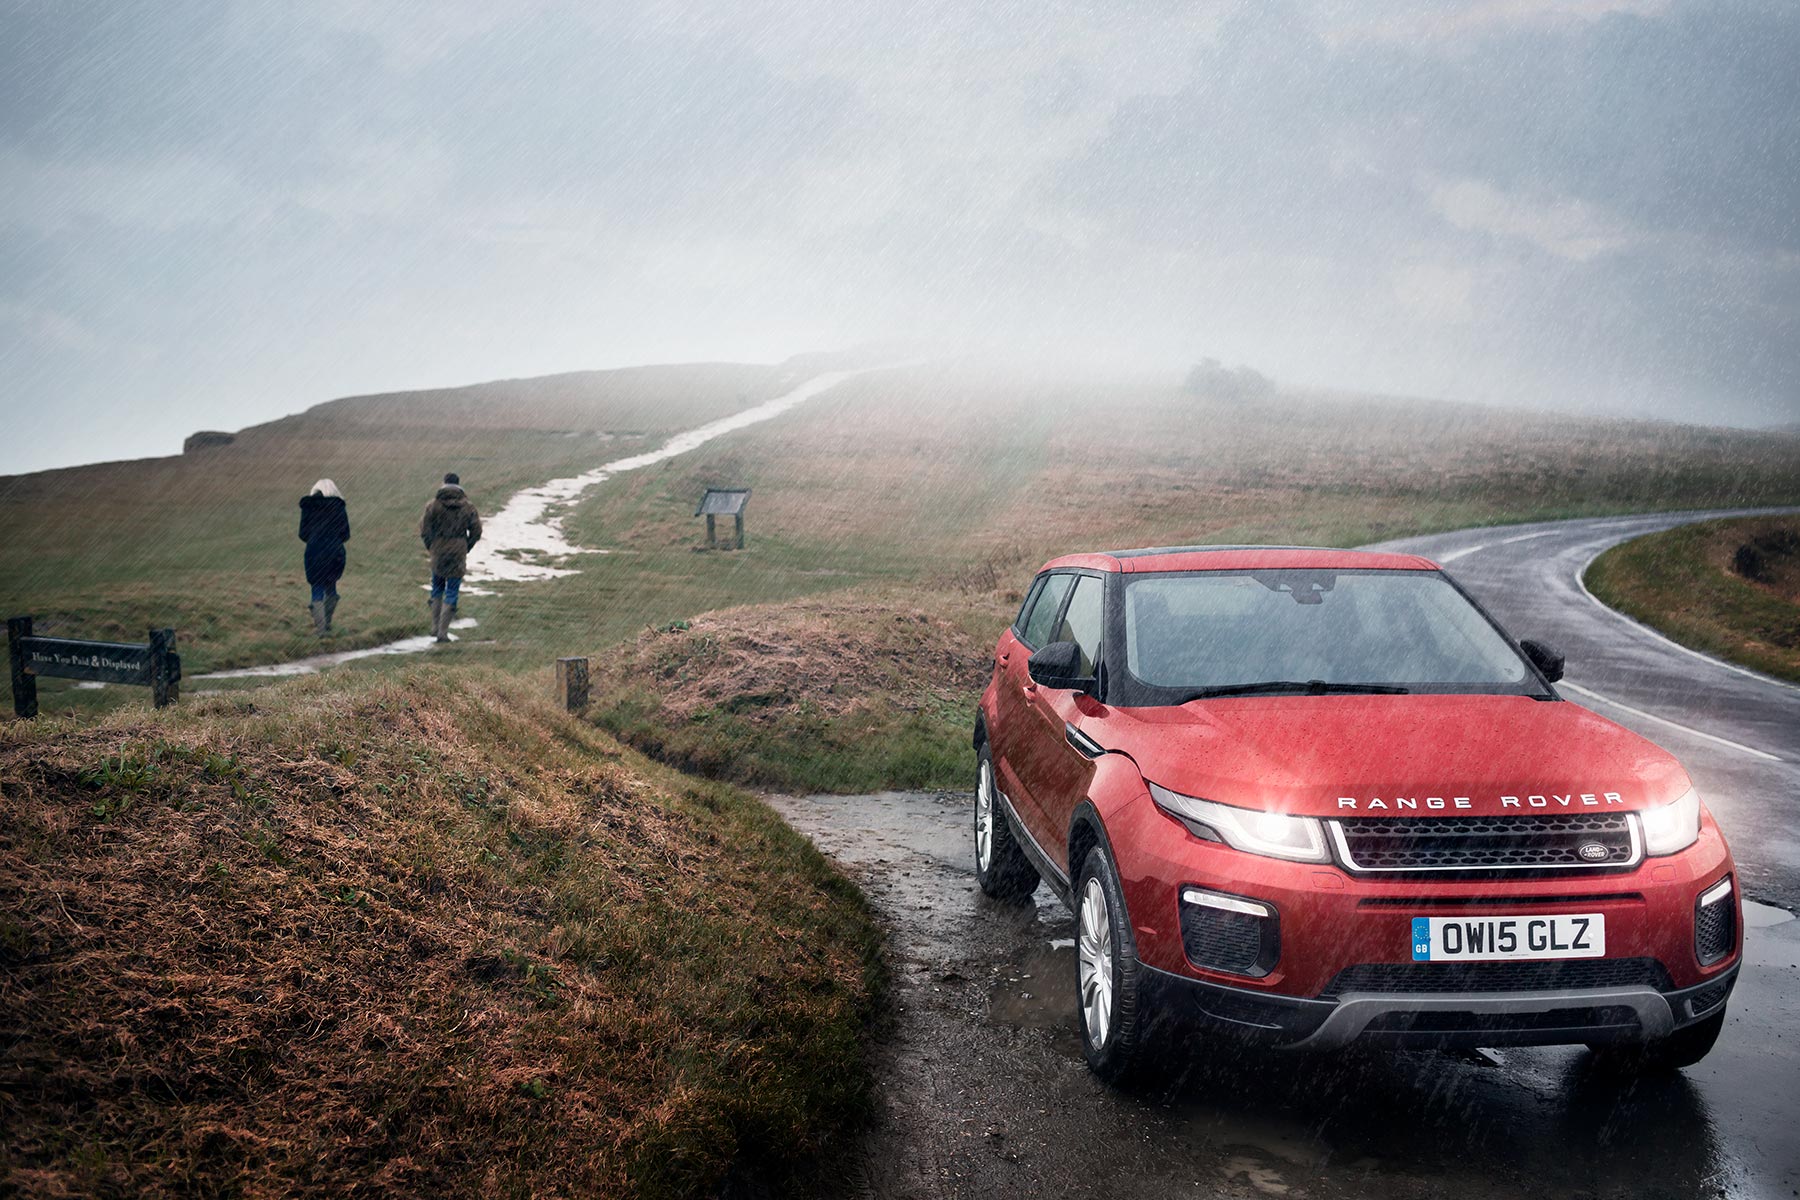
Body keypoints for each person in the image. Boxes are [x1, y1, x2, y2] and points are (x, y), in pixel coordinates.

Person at [419, 472, 482, 643]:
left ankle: (434, 626)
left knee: (437, 587)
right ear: (459, 485)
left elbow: (424, 529)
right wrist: (465, 546)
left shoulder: (433, 505)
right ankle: (443, 632)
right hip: (458, 550)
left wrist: (431, 546)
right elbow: (477, 531)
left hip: (438, 550)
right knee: (452, 590)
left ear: (444, 483)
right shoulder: (468, 506)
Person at [298, 479, 351, 637]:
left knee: (317, 587)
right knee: (331, 586)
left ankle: (320, 629)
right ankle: (327, 623)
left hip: (314, 550)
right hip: (335, 551)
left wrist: (315, 538)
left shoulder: (308, 507)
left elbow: (302, 533)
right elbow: (346, 533)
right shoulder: (338, 507)